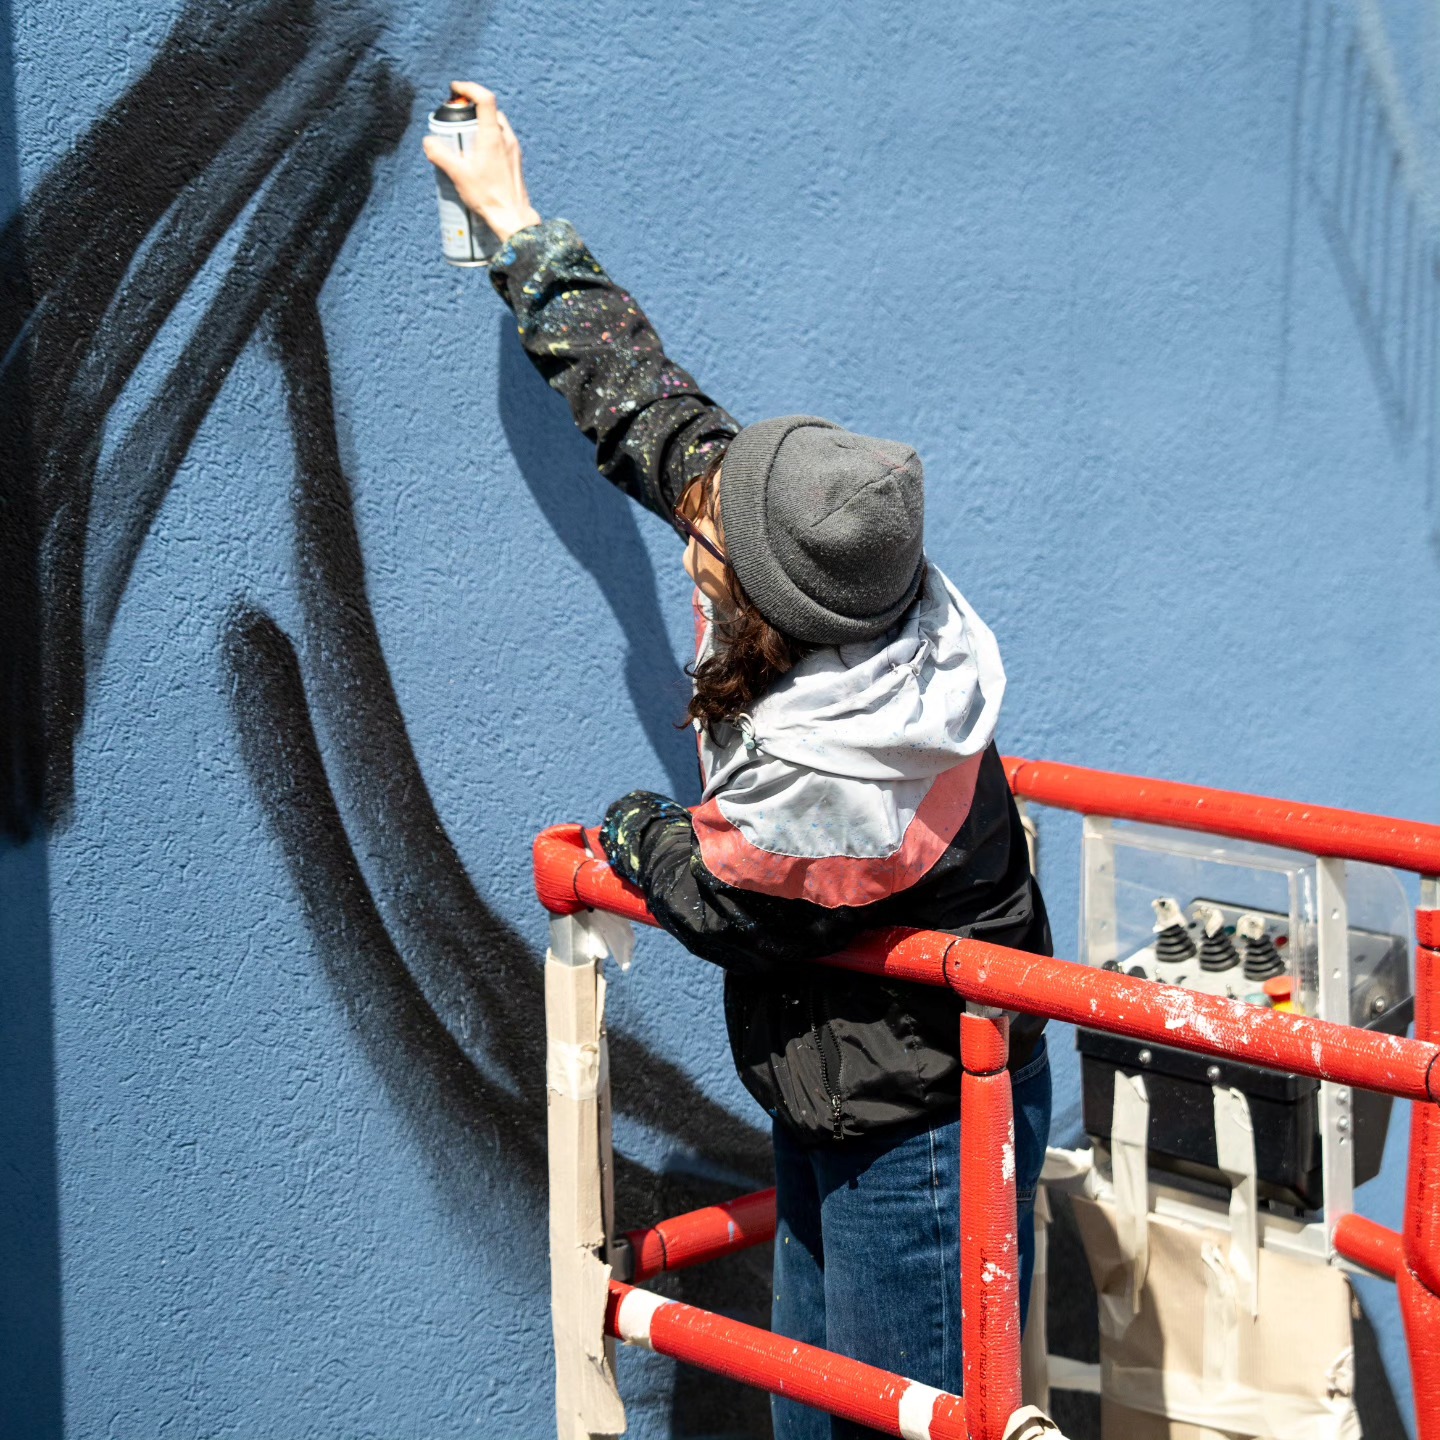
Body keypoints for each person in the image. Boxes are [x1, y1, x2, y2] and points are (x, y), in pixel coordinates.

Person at [425, 83, 1053, 1439]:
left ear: (774, 612)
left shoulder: (845, 775)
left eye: (710, 551)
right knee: (810, 1412)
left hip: (922, 1129)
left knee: (888, 1424)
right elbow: (651, 411)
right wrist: (514, 220)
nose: (692, 539)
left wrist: (625, 828)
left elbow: (717, 898)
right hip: (837, 1082)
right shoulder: (845, 574)